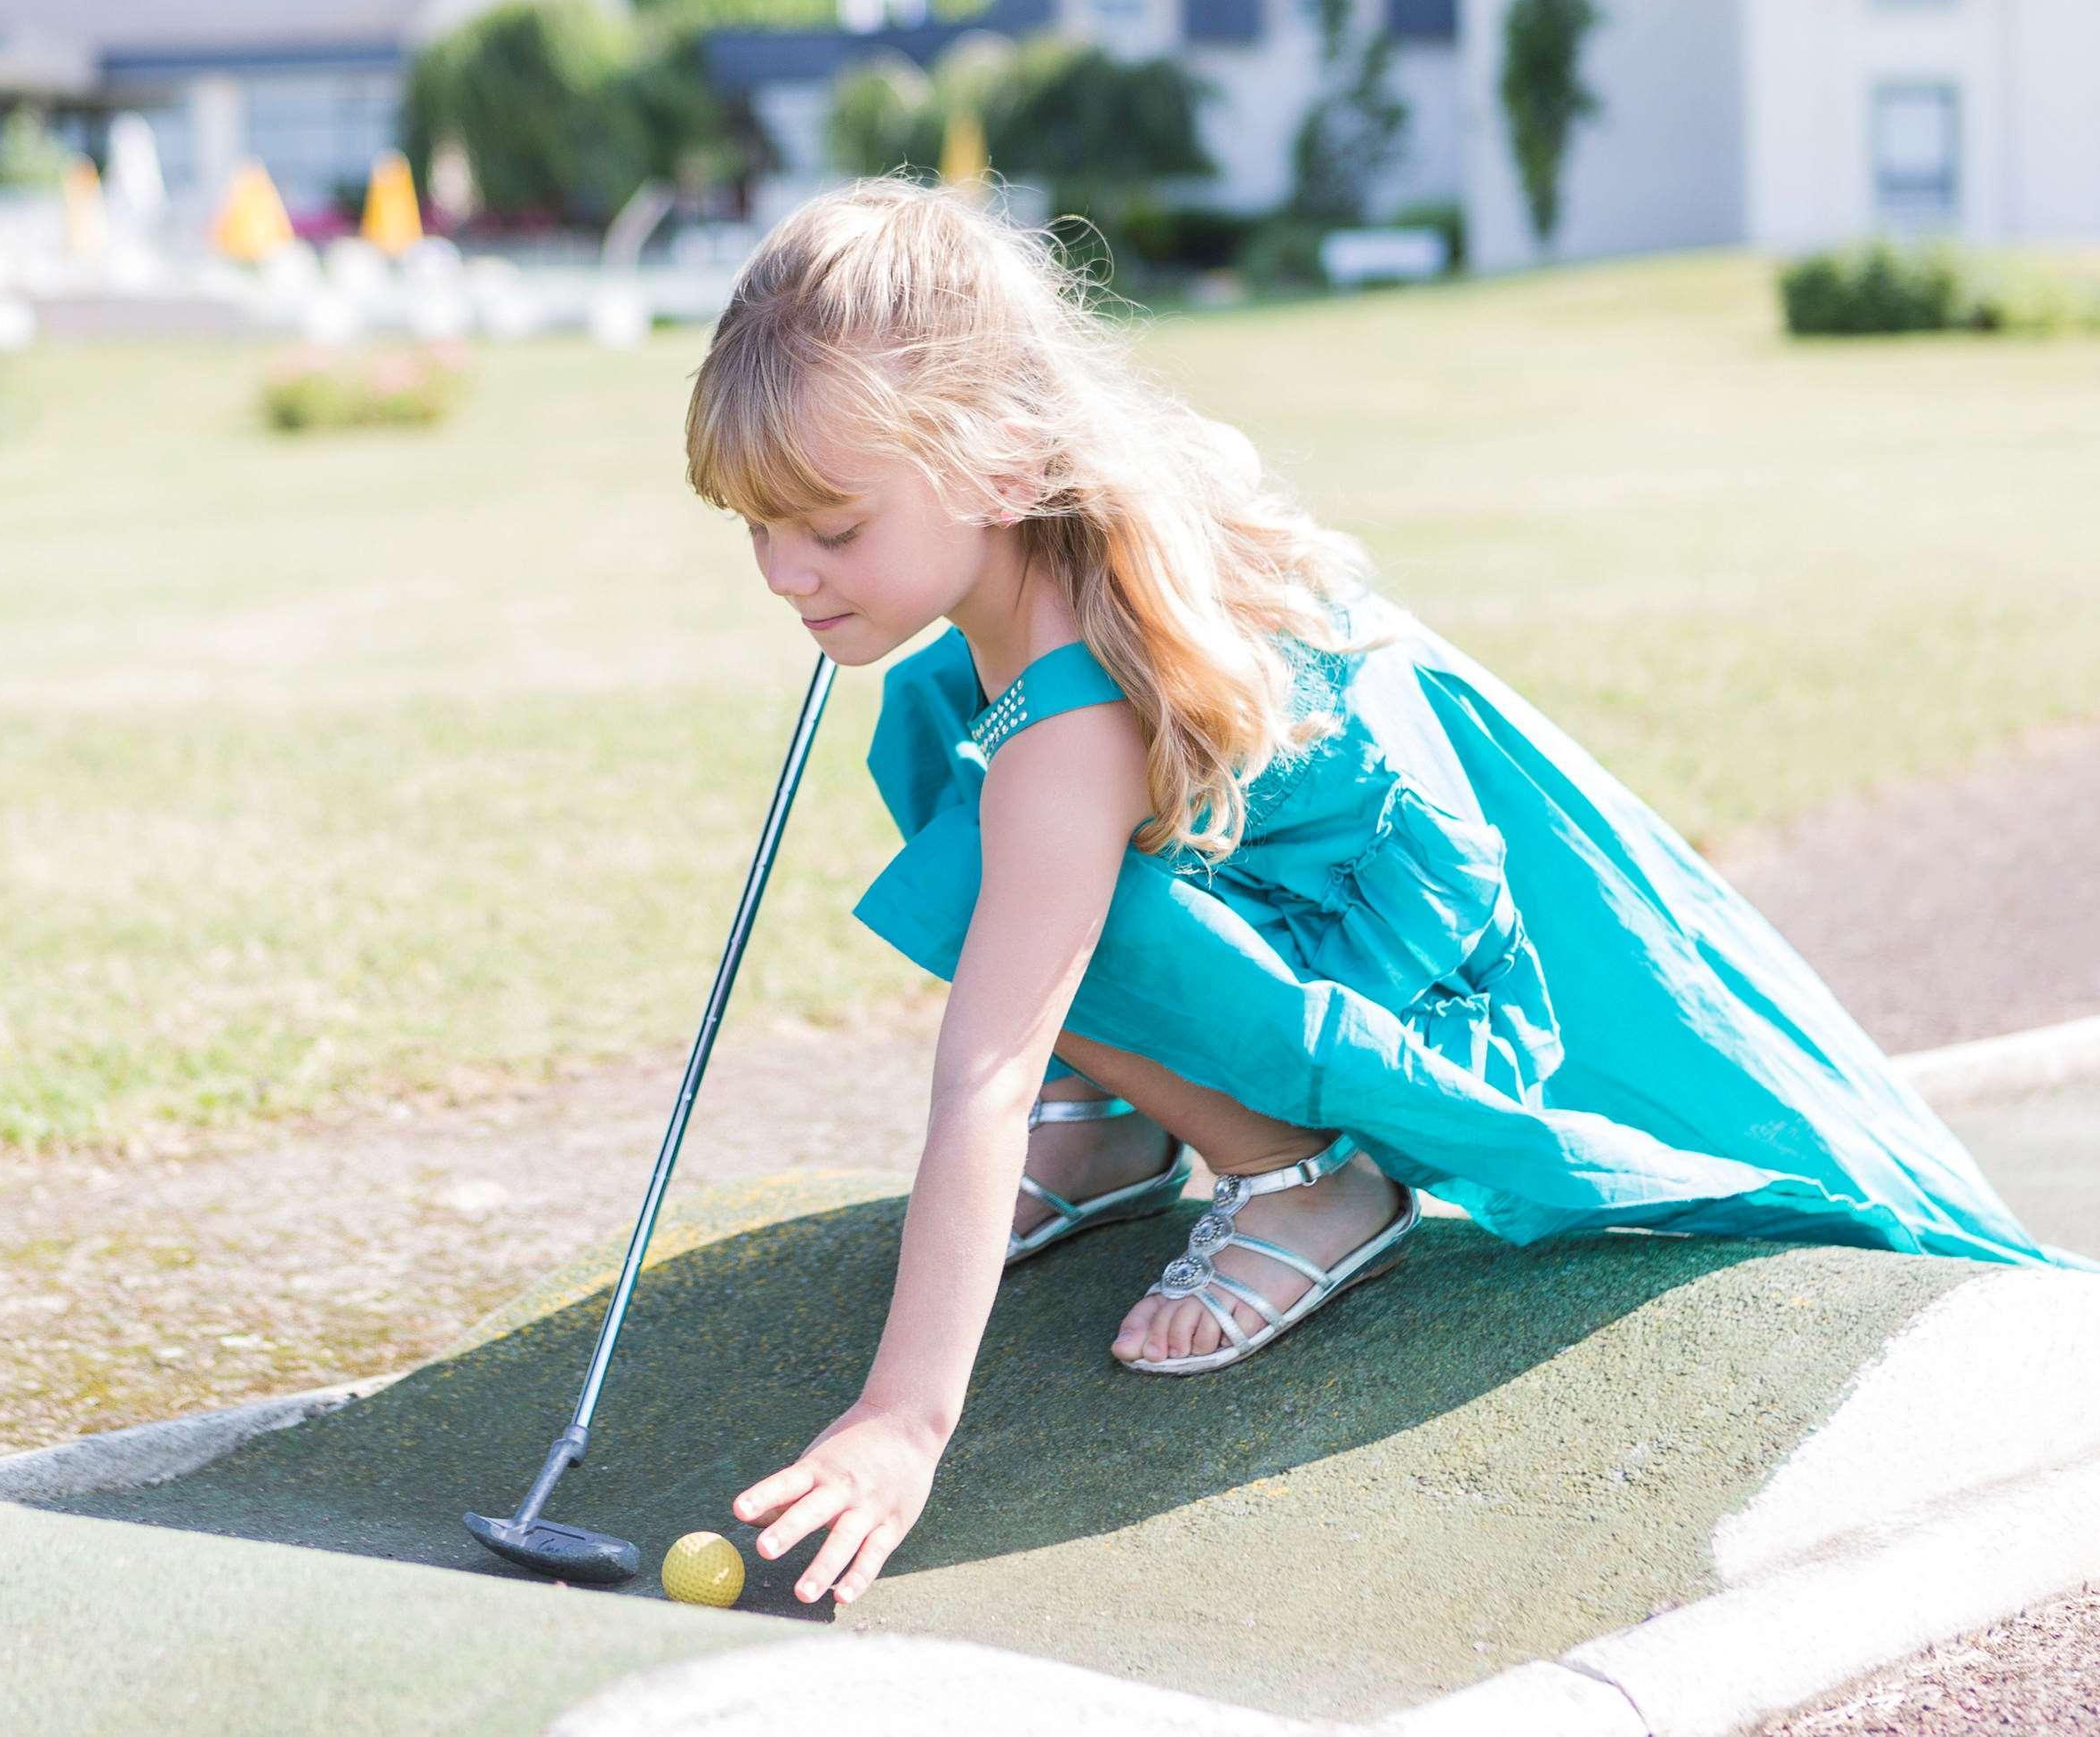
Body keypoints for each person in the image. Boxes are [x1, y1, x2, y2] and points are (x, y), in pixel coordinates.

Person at [678, 173, 2092, 1613]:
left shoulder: (1064, 723)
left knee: (999, 869)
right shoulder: (1021, 568)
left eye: (832, 526)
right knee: (933, 736)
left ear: (996, 468)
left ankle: (1306, 1181)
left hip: (1401, 986)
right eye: (755, 522)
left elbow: (982, 1065)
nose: (784, 571)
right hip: (1267, 896)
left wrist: (904, 1421)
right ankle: (1115, 1130)